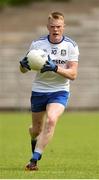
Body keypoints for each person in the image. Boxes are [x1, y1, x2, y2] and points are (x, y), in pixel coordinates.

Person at [19, 11, 79, 171]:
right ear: (47, 27)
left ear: (64, 27)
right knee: (36, 130)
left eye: (59, 26)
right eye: (52, 26)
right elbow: (23, 70)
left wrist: (55, 68)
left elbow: (73, 75)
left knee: (51, 120)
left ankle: (34, 159)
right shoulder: (37, 44)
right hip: (39, 91)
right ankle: (33, 136)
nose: (56, 29)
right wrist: (23, 65)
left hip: (59, 91)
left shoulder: (70, 46)